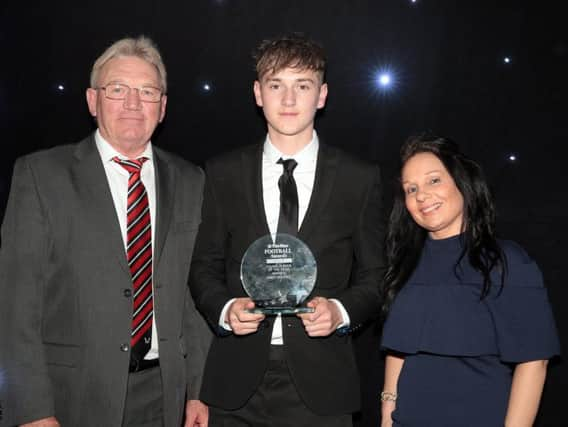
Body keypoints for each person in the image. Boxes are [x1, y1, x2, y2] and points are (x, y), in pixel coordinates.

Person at [0, 36, 211, 427]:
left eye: (147, 92)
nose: (133, 104)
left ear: (162, 108)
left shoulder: (191, 180)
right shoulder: (41, 175)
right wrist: (32, 410)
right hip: (71, 399)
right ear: (92, 100)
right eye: (117, 89)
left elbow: (192, 300)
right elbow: (15, 306)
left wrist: (199, 391)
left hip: (164, 396)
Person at [189, 34, 385, 426]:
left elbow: (376, 275)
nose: (289, 100)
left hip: (322, 382)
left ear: (323, 95)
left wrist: (340, 310)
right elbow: (203, 266)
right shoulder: (223, 172)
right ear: (258, 94)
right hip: (235, 381)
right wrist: (226, 309)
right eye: (276, 85)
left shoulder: (358, 178)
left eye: (303, 86)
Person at [380, 135, 560, 427]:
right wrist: (387, 420)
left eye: (433, 181)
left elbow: (533, 362)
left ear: (462, 182)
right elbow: (399, 352)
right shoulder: (406, 263)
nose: (421, 195)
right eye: (411, 189)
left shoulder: (506, 260)